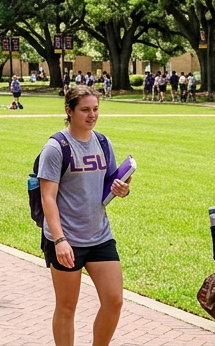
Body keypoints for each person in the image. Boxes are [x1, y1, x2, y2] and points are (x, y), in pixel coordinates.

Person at [38, 86, 132, 346]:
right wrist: (59, 240)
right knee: (67, 308)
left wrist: (122, 189)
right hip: (66, 239)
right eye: (85, 110)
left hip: (100, 235)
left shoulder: (102, 142)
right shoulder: (56, 148)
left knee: (114, 301)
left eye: (96, 109)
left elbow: (112, 183)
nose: (92, 115)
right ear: (69, 111)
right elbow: (48, 198)